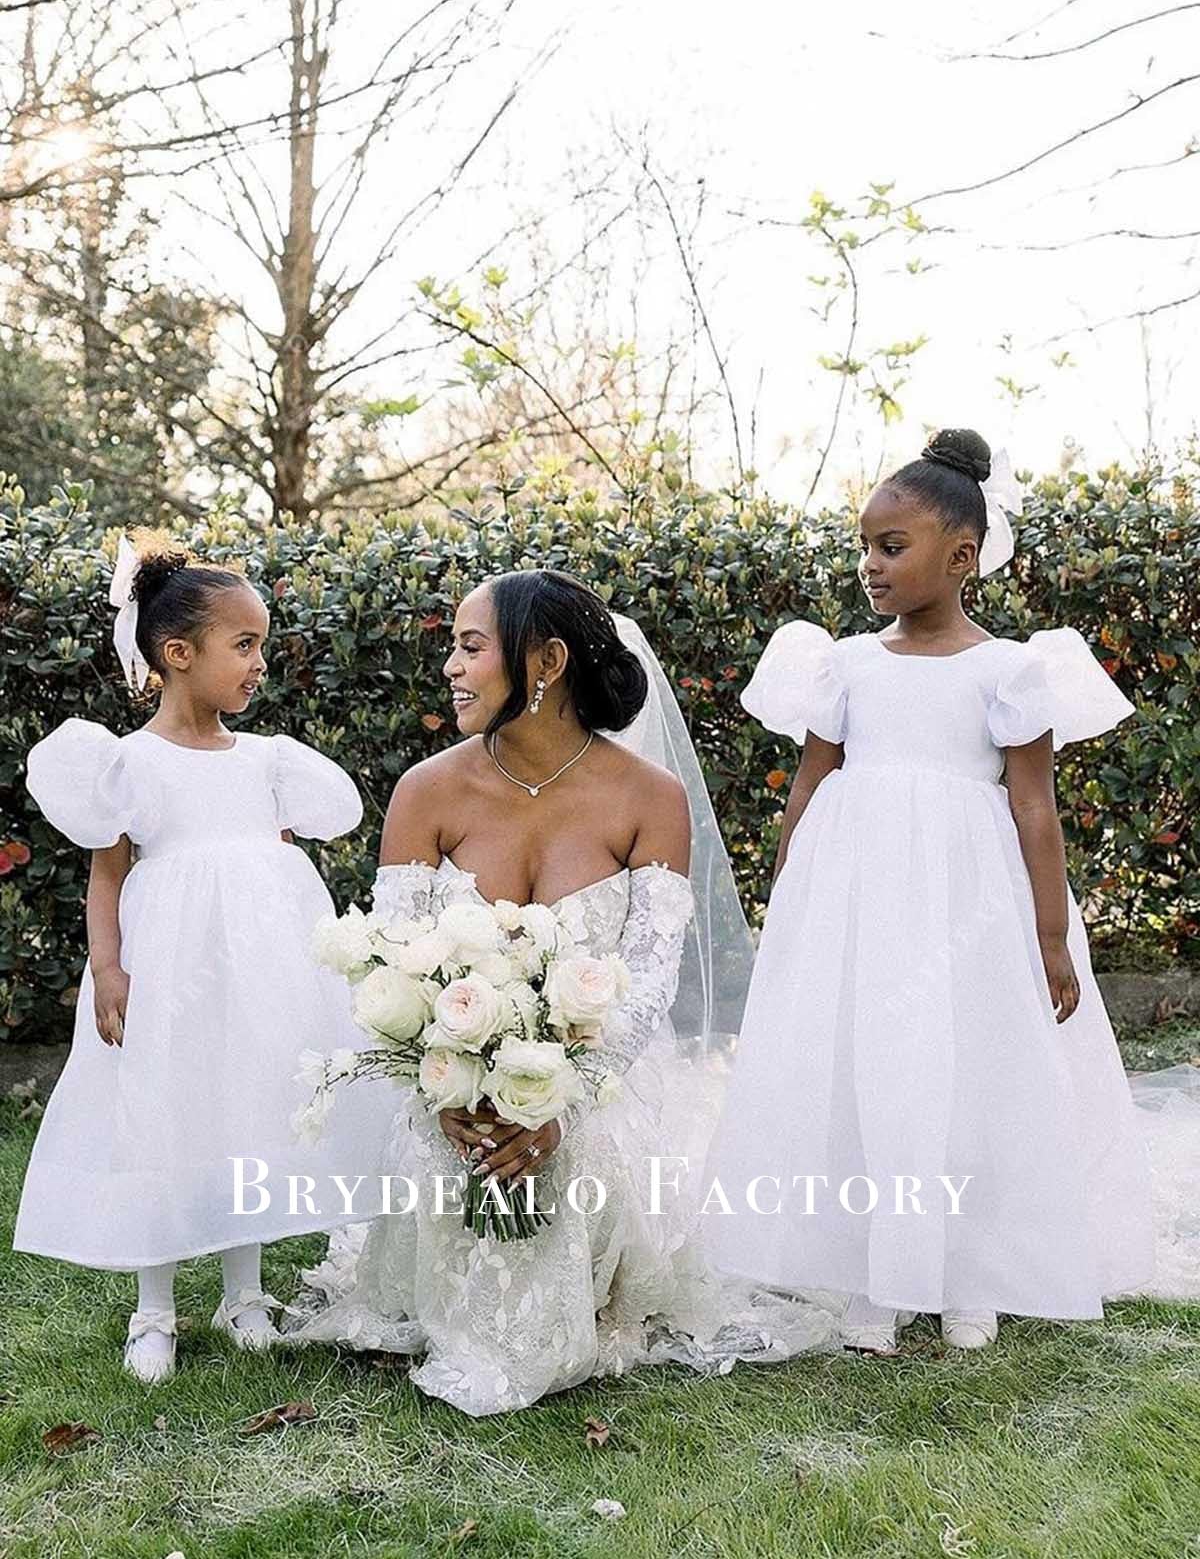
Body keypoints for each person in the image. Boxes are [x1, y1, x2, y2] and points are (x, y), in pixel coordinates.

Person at [283, 568, 840, 1413]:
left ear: (544, 664)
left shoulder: (649, 798)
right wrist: (445, 1089)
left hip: (598, 1083)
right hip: (453, 1096)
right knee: (459, 1169)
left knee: (584, 1163)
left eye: (470, 648)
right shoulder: (424, 792)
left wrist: (557, 1106)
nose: (451, 669)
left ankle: (591, 1277)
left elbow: (648, 983)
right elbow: (393, 965)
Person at [701, 428, 1157, 1355]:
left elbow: (1033, 809)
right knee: (870, 1066)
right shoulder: (848, 664)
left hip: (966, 903)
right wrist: (789, 890)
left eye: (892, 546)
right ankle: (875, 1270)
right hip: (861, 900)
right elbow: (812, 782)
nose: (871, 564)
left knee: (965, 1070)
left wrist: (1051, 936)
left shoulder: (1009, 670)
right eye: (864, 545)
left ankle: (966, 1269)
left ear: (962, 556)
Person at [15, 536, 392, 1384]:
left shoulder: (265, 761)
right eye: (244, 645)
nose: (261, 663)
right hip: (169, 966)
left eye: (262, 644)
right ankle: (155, 1307)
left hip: (259, 968)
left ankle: (243, 1293)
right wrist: (108, 969)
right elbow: (107, 878)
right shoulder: (127, 763)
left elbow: (274, 859)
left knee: (250, 1104)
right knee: (166, 1111)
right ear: (177, 655)